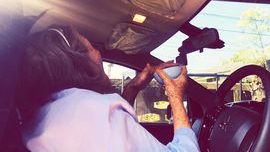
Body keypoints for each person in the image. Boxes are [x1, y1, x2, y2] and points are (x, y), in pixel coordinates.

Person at [17, 25, 199, 151]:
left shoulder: (47, 114)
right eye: (91, 47)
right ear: (80, 63)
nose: (98, 53)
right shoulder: (93, 109)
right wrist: (176, 96)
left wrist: (134, 87)